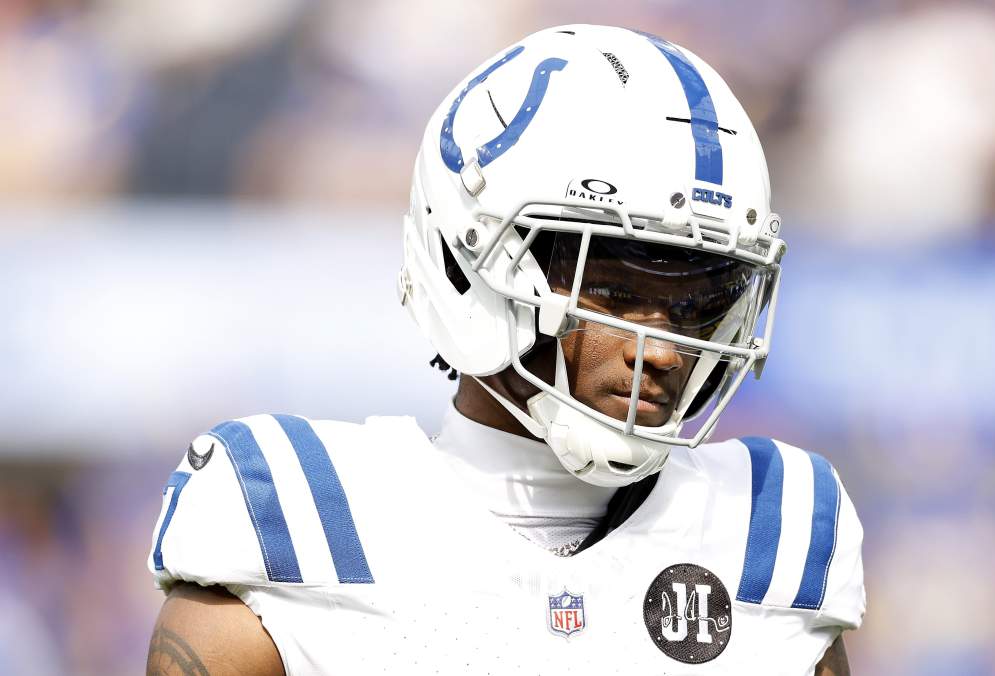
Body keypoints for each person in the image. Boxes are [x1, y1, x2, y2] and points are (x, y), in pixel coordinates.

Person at [145, 24, 865, 675]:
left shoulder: (769, 532)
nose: (665, 350)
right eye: (613, 290)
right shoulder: (298, 520)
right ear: (470, 262)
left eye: (697, 302)